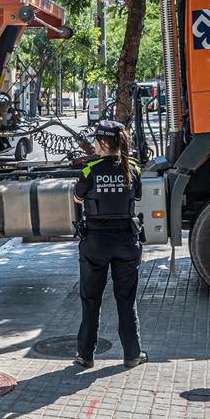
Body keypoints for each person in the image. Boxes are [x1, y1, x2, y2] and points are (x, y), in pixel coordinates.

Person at [72, 120, 146, 370]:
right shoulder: (133, 168)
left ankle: (85, 355)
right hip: (127, 241)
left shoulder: (89, 170)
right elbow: (137, 196)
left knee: (91, 300)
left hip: (96, 243)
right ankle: (132, 355)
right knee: (126, 300)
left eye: (95, 140)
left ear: (103, 142)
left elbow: (77, 197)